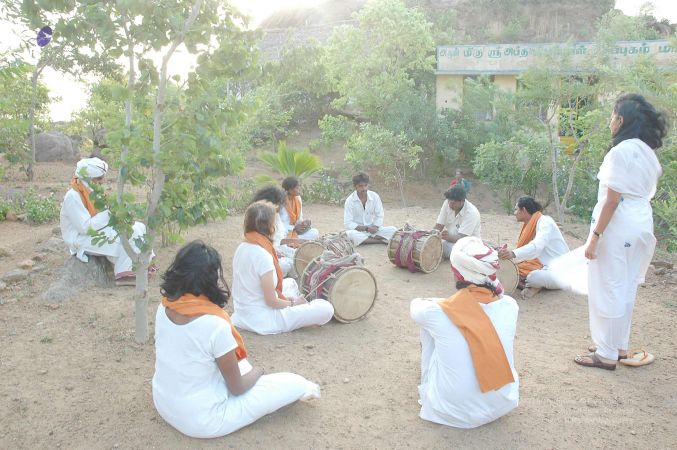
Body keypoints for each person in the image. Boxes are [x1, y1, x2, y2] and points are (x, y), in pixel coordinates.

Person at [152, 240, 320, 438]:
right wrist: (260, 371)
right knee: (295, 382)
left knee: (238, 365)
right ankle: (300, 385)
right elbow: (237, 388)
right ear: (211, 278)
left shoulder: (164, 307)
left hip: (163, 402)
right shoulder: (215, 324)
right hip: (202, 420)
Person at [574, 94, 665, 370]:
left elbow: (612, 200)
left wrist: (595, 237)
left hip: (619, 226)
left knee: (607, 286)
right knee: (625, 287)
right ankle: (618, 345)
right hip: (641, 225)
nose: (610, 121)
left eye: (612, 116)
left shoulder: (620, 151)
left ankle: (605, 353)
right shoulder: (647, 152)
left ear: (621, 120)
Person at [410, 236, 519, 428]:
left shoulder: (436, 312)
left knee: (429, 328)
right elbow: (485, 303)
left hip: (453, 412)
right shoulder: (510, 305)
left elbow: (415, 306)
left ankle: (427, 387)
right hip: (503, 402)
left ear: (457, 273)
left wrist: (443, 303)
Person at [231, 201, 334, 334]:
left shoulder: (242, 246)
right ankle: (298, 313)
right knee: (326, 308)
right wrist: (293, 304)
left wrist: (289, 300)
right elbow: (271, 301)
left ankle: (297, 308)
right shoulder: (262, 255)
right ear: (270, 226)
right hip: (263, 319)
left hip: (242, 314)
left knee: (290, 283)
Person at [59, 157, 151, 286]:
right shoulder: (73, 196)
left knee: (138, 227)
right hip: (80, 238)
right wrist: (109, 213)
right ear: (89, 178)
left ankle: (141, 264)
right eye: (99, 178)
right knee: (124, 238)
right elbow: (84, 227)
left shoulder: (91, 191)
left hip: (96, 230)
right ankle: (125, 273)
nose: (103, 181)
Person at [498, 196, 570, 298]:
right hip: (545, 267)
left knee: (533, 277)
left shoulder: (545, 222)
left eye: (516, 209)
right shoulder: (532, 224)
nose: (515, 213)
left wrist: (513, 254)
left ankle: (535, 285)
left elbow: (536, 246)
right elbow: (531, 252)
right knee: (515, 269)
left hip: (562, 271)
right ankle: (530, 283)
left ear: (524, 210)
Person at [252, 185, 299, 277]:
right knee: (288, 264)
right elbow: (261, 247)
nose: (282, 206)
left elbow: (278, 240)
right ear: (273, 203)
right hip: (266, 256)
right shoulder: (260, 220)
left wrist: (296, 241)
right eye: (280, 203)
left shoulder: (276, 215)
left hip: (278, 250)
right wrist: (275, 254)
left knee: (296, 255)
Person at [343, 172, 397, 246]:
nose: (364, 188)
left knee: (393, 230)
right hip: (358, 231)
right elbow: (348, 223)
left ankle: (367, 240)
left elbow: (379, 215)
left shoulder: (374, 196)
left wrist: (375, 227)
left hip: (373, 229)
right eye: (360, 186)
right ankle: (380, 241)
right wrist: (366, 228)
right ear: (355, 187)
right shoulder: (350, 201)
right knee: (349, 234)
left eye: (365, 185)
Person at [433, 186, 481, 260]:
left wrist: (448, 237)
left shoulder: (472, 213)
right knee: (433, 244)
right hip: (450, 242)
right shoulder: (447, 203)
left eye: (453, 203)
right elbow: (439, 225)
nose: (449, 205)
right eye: (448, 201)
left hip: (468, 245)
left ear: (462, 201)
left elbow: (462, 238)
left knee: (450, 250)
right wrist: (432, 235)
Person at [280, 176, 319, 240]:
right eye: (297, 187)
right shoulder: (280, 202)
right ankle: (291, 241)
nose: (300, 189)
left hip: (295, 231)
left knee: (315, 232)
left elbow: (299, 218)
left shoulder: (298, 198)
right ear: (290, 190)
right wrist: (293, 228)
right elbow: (278, 224)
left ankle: (293, 240)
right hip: (284, 231)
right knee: (281, 236)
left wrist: (304, 223)